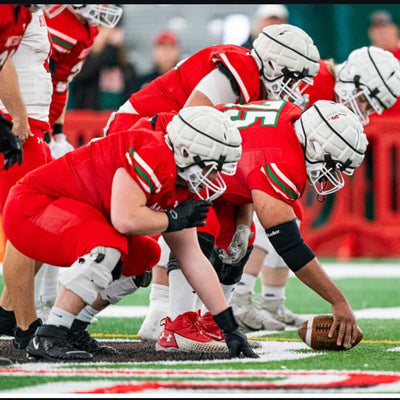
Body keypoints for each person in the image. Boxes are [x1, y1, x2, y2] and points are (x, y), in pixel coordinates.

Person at [1, 105, 259, 361]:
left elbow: (193, 259)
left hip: (67, 214)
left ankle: (73, 328)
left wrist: (229, 327)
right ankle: (51, 333)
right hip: (33, 208)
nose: (214, 177)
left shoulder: (182, 180)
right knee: (107, 247)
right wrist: (171, 219)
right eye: (211, 167)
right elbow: (125, 219)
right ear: (185, 151)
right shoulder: (153, 152)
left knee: (144, 254)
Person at [134, 100, 368, 353]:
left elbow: (246, 167)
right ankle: (178, 325)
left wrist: (243, 224)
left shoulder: (292, 117)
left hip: (200, 165)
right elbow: (290, 246)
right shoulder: (283, 159)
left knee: (240, 240)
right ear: (314, 145)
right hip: (169, 151)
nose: (332, 174)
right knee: (200, 223)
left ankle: (212, 322)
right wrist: (338, 301)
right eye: (332, 165)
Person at [228, 44, 400, 331]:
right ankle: (240, 296)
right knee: (271, 221)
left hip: (265, 155)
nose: (365, 111)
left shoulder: (328, 88)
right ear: (354, 78)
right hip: (250, 153)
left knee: (291, 218)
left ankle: (272, 300)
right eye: (365, 101)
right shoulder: (313, 78)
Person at [32, 4, 124, 325]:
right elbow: (32, 76)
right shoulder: (53, 19)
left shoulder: (86, 29)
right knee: (32, 216)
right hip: (23, 121)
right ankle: (28, 303)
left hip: (41, 126)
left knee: (51, 213)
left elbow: (59, 83)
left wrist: (56, 131)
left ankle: (45, 297)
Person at [104, 23, 320, 135]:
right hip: (134, 130)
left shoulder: (252, 74)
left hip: (159, 133)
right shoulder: (240, 70)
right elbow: (190, 123)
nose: (294, 86)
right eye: (293, 77)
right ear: (273, 63)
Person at [367, 10, 400, 114]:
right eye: (376, 28)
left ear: (395, 29)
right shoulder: (363, 59)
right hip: (373, 119)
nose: (381, 32)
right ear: (370, 33)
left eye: (385, 26)